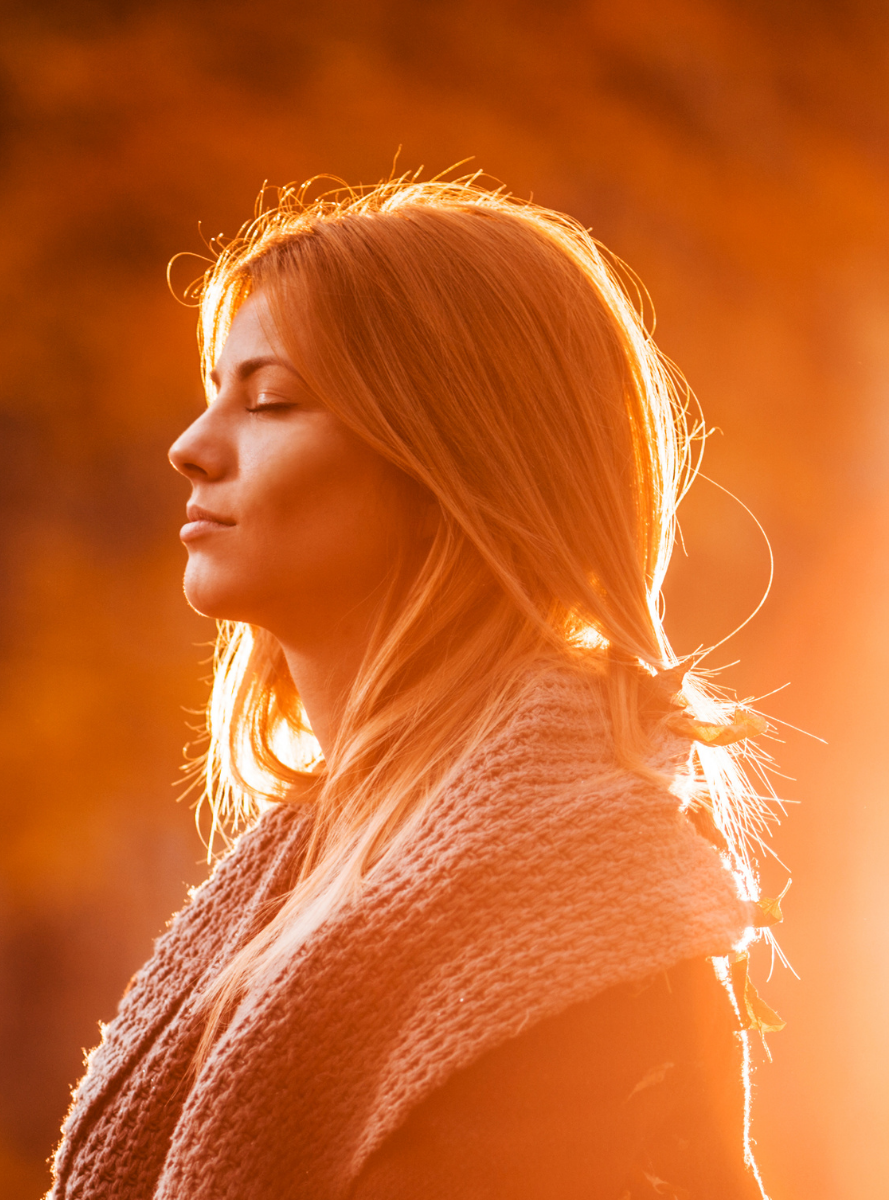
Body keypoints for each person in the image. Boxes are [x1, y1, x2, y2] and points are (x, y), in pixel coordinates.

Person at [47, 178, 783, 1199]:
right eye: (213, 391)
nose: (191, 446)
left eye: (269, 401)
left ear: (451, 465)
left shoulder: (576, 892)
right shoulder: (297, 883)